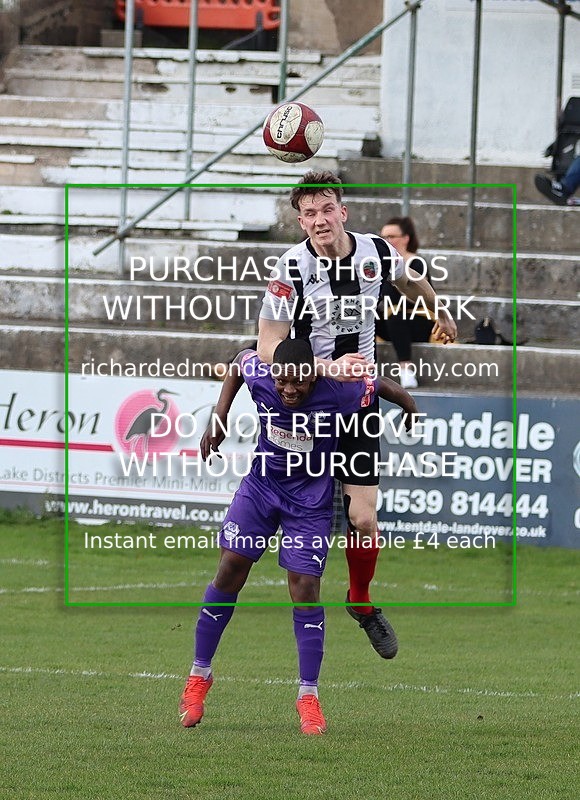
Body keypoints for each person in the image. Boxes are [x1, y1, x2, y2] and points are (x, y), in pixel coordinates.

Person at [257, 171, 457, 659]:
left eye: (328, 210)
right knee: (301, 524)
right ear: (300, 221)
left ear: (342, 212)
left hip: (359, 407)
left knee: (364, 520)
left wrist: (439, 311)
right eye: (310, 214)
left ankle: (361, 602)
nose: (320, 220)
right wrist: (326, 366)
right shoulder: (290, 270)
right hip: (305, 409)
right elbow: (266, 346)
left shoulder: (376, 252)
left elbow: (412, 278)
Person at [179, 339, 418, 735]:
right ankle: (198, 677)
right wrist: (218, 419)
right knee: (229, 571)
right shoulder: (263, 376)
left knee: (305, 587)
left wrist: (409, 406)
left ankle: (308, 697)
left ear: (313, 375)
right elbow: (240, 362)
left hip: (308, 501)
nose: (289, 390)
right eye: (283, 382)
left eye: (298, 383)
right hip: (261, 489)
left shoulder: (338, 391)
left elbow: (379, 385)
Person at [376, 217, 434, 389]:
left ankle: (406, 369)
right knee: (365, 317)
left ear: (406, 238)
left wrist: (397, 281)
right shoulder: (381, 264)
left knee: (396, 315)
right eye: (383, 237)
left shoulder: (416, 262)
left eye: (391, 236)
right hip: (392, 323)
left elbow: (417, 298)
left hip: (419, 322)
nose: (387, 241)